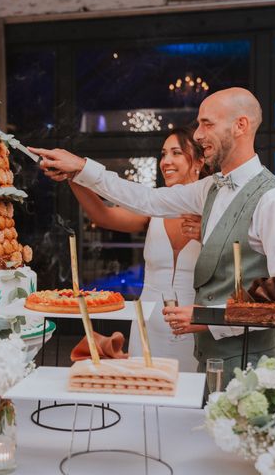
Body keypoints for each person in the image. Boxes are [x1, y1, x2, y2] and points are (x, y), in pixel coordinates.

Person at [31, 87, 275, 384]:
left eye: (208, 124)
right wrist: (82, 168)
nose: (199, 135)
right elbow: (147, 200)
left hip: (254, 372)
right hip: (208, 361)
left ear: (240, 126)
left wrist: (208, 317)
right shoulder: (210, 190)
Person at [69, 127, 208, 370]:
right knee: (144, 392)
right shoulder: (153, 208)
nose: (166, 161)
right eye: (163, 154)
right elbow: (102, 215)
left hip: (196, 325)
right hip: (149, 325)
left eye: (176, 153)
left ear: (199, 161)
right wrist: (74, 176)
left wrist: (206, 233)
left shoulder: (215, 210)